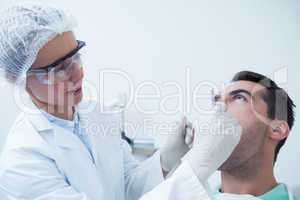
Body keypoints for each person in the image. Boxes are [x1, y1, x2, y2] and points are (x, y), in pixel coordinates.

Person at [0, 3, 193, 200]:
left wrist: (167, 158)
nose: (78, 74)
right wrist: (200, 167)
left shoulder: (98, 115)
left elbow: (128, 185)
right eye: (58, 69)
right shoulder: (24, 162)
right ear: (18, 78)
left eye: (76, 57)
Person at [141, 71, 299, 200]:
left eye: (239, 98)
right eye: (216, 101)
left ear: (277, 130)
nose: (219, 109)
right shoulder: (183, 193)